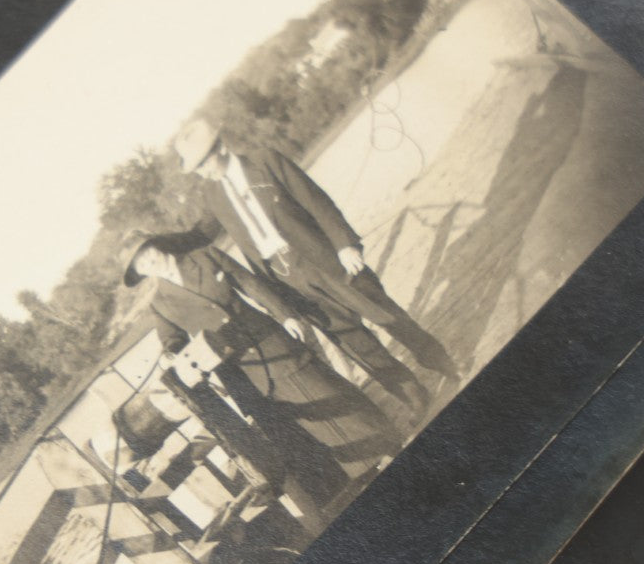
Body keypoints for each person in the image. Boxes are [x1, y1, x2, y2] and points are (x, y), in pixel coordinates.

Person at [171, 118, 463, 413]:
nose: (202, 172)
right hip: (285, 280)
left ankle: (444, 363)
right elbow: (199, 235)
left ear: (219, 147)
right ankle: (414, 397)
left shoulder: (265, 160)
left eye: (203, 162)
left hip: (324, 259)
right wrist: (154, 250)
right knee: (355, 344)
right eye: (196, 168)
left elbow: (315, 201)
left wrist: (344, 245)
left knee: (387, 315)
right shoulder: (213, 195)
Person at [121, 231, 397, 497]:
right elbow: (172, 342)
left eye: (147, 254)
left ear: (158, 245)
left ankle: (389, 442)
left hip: (269, 339)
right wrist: (177, 357)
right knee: (302, 419)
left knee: (325, 388)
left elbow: (252, 285)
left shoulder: (205, 256)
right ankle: (361, 470)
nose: (149, 263)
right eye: (141, 265)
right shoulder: (160, 303)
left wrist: (285, 315)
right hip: (239, 368)